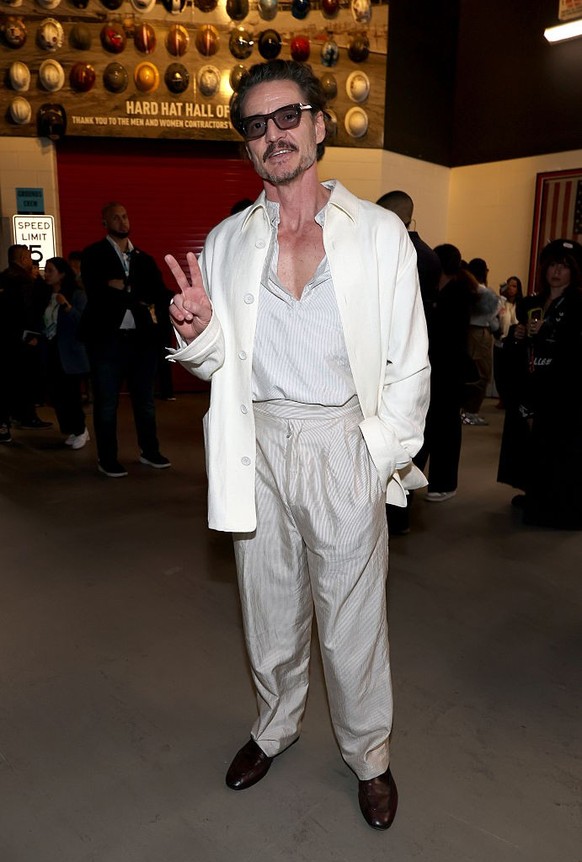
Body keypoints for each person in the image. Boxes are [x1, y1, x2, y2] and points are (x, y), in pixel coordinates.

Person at [164, 60, 430, 830]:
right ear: (246, 146)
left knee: (352, 624)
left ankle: (368, 754)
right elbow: (222, 360)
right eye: (255, 125)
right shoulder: (227, 240)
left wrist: (375, 454)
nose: (273, 135)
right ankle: (274, 727)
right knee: (268, 609)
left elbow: (410, 363)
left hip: (342, 439)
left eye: (288, 117)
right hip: (260, 443)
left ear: (319, 125)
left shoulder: (380, 236)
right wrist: (196, 334)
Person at [80, 203, 171, 477]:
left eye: (125, 216)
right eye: (116, 217)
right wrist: (130, 292)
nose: (122, 221)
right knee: (107, 402)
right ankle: (107, 458)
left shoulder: (143, 258)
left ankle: (149, 451)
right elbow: (96, 292)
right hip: (107, 341)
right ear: (104, 222)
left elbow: (156, 290)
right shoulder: (93, 255)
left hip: (141, 341)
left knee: (145, 400)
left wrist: (121, 287)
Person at [497, 239, 582, 529]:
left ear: (574, 271)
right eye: (553, 265)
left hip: (562, 388)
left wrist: (549, 333)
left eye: (564, 266)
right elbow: (518, 346)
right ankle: (533, 492)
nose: (556, 272)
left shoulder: (577, 304)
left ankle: (557, 508)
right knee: (529, 442)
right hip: (532, 383)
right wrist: (518, 336)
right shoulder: (531, 302)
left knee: (558, 445)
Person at [376, 189, 442, 533]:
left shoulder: (397, 251)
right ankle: (399, 512)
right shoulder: (428, 255)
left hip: (397, 355)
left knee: (397, 435)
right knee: (413, 431)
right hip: (419, 354)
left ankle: (394, 513)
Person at [415, 243, 477, 502]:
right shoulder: (432, 289)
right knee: (427, 423)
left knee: (447, 426)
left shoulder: (460, 291)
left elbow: (451, 334)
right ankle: (419, 477)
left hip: (450, 368)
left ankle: (444, 482)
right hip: (432, 366)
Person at [0, 244, 52, 432]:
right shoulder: (24, 281)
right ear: (23, 259)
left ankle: (13, 415)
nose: (31, 261)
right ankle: (27, 416)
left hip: (7, 338)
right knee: (26, 378)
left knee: (10, 378)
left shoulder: (4, 278)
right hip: (24, 338)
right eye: (29, 257)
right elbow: (30, 309)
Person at [42, 257, 90, 449]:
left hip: (70, 352)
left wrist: (67, 307)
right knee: (56, 394)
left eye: (50, 271)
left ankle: (80, 429)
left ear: (61, 274)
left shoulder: (77, 294)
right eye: (45, 270)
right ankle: (70, 429)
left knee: (71, 394)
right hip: (51, 349)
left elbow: (84, 322)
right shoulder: (45, 296)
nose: (46, 274)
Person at [461, 257, 500, 425]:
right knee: (481, 373)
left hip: (465, 333)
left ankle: (465, 409)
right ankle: (471, 411)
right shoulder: (484, 292)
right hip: (479, 333)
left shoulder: (464, 288)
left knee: (468, 371)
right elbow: (492, 318)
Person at [493, 275, 523, 406]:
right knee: (499, 372)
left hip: (515, 344)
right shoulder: (501, 302)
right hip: (501, 342)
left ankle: (510, 397)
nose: (511, 289)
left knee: (511, 372)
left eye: (514, 286)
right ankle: (502, 397)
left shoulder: (521, 304)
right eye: (509, 285)